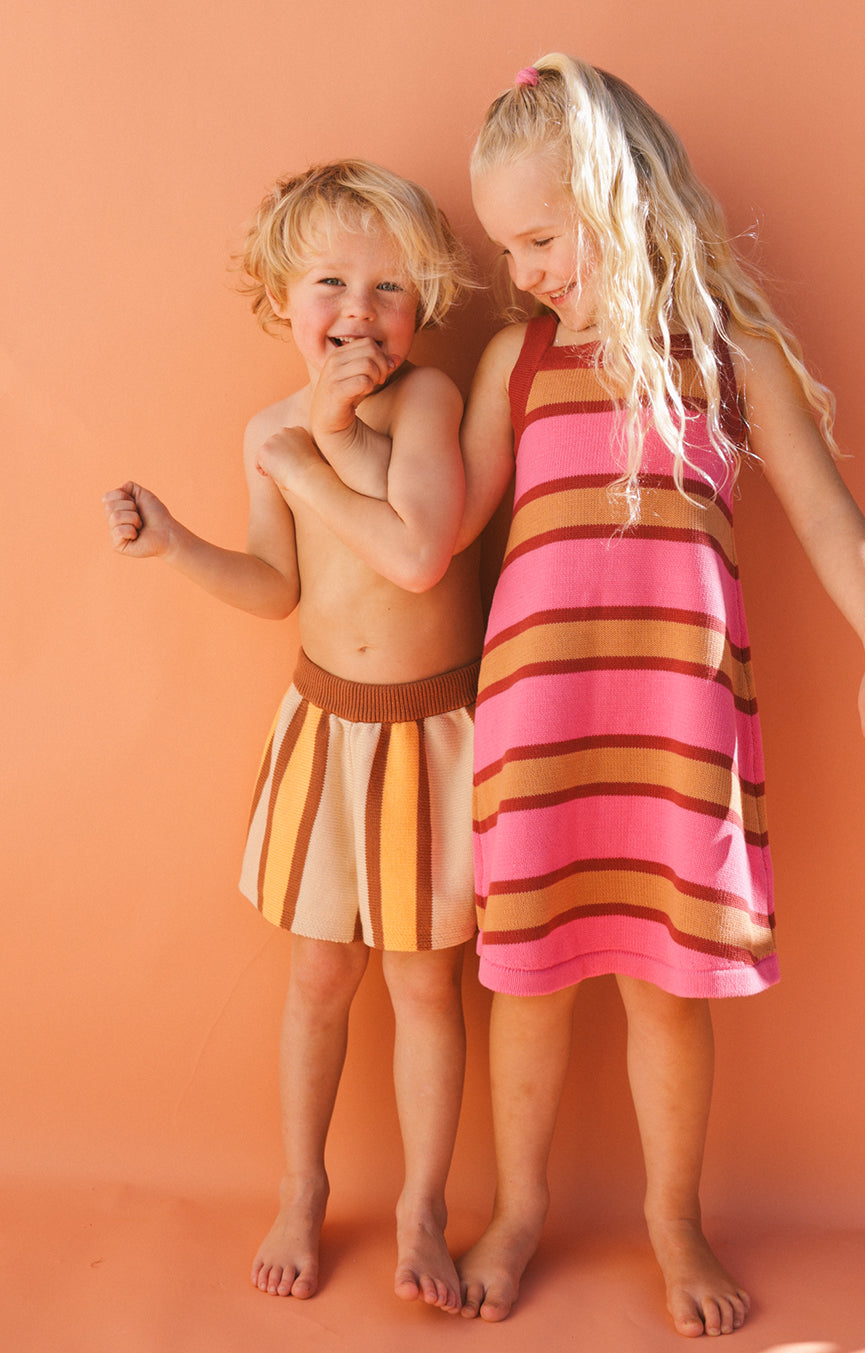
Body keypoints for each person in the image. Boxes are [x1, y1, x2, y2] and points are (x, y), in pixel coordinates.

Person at [453, 56, 865, 1337]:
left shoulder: (730, 351)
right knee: (527, 986)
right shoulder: (516, 355)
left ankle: (675, 1221)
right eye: (509, 247)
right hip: (539, 730)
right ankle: (515, 1211)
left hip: (674, 738)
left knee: (668, 992)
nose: (525, 270)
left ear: (614, 201)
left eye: (542, 238)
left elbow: (832, 520)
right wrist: (326, 430)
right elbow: (438, 528)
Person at [103, 160, 484, 1312]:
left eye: (390, 289)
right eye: (330, 283)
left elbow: (414, 547)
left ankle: (423, 1205)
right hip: (326, 730)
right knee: (318, 977)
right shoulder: (269, 428)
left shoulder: (425, 404)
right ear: (281, 302)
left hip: (430, 735)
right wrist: (179, 543)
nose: (359, 312)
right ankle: (301, 1187)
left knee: (426, 988)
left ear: (423, 311)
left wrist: (312, 450)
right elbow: (278, 585)